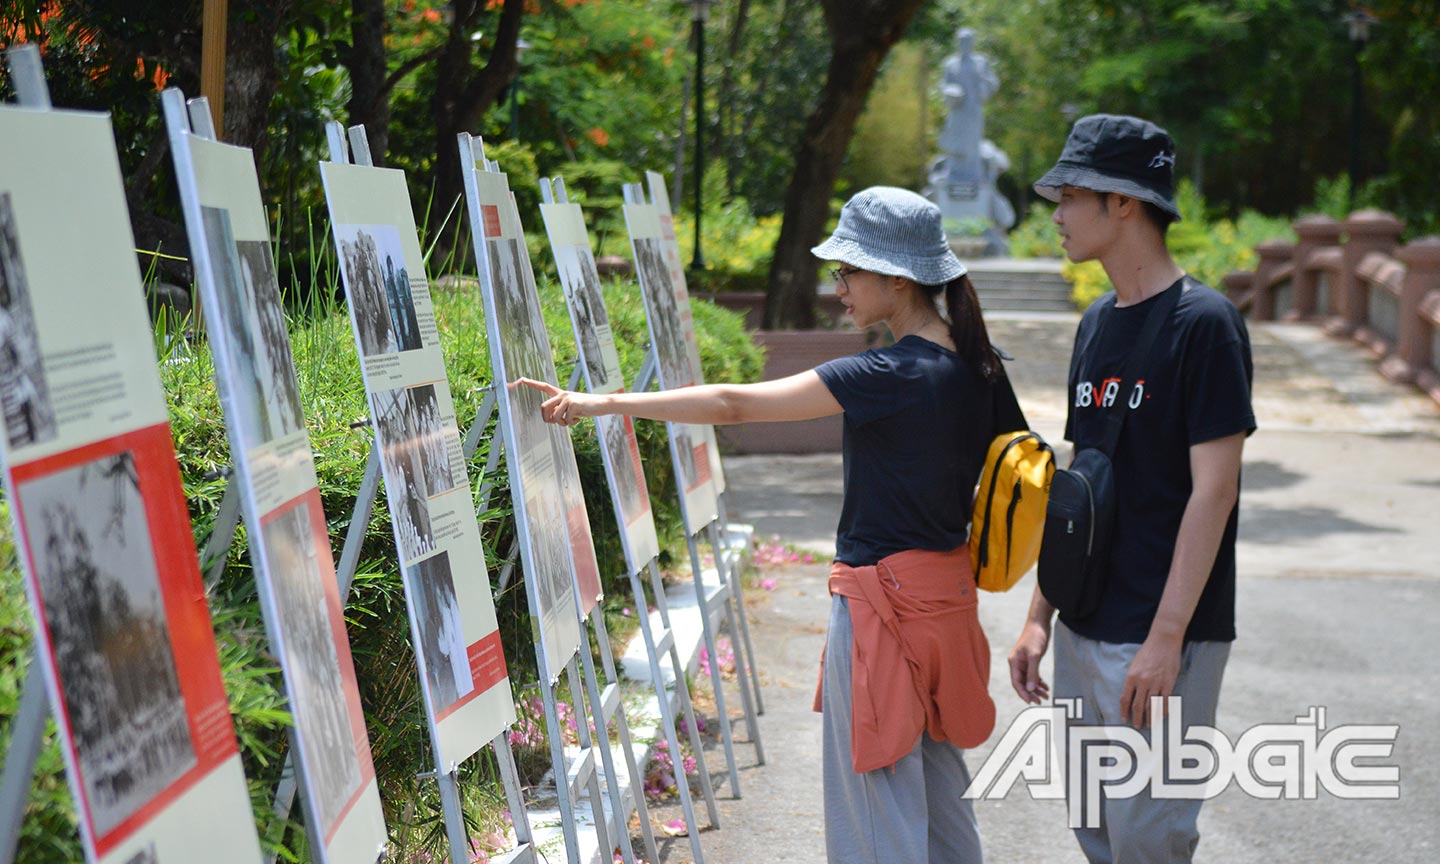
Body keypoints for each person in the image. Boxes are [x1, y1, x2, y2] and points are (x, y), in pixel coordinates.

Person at [523, 186, 1025, 863]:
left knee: (875, 810)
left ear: (898, 280)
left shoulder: (891, 372)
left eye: (848, 271)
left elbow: (734, 404)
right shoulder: (981, 364)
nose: (836, 284)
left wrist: (602, 403)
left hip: (885, 608)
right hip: (949, 603)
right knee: (939, 803)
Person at [1007, 115, 1255, 863]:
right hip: (1085, 624)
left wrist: (1166, 639)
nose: (1054, 214)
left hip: (1161, 634)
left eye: (1070, 194)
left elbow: (1214, 492)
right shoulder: (1095, 325)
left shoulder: (1204, 324)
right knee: (1097, 831)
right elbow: (1082, 482)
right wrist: (1039, 617)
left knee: (1150, 838)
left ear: (1123, 202)